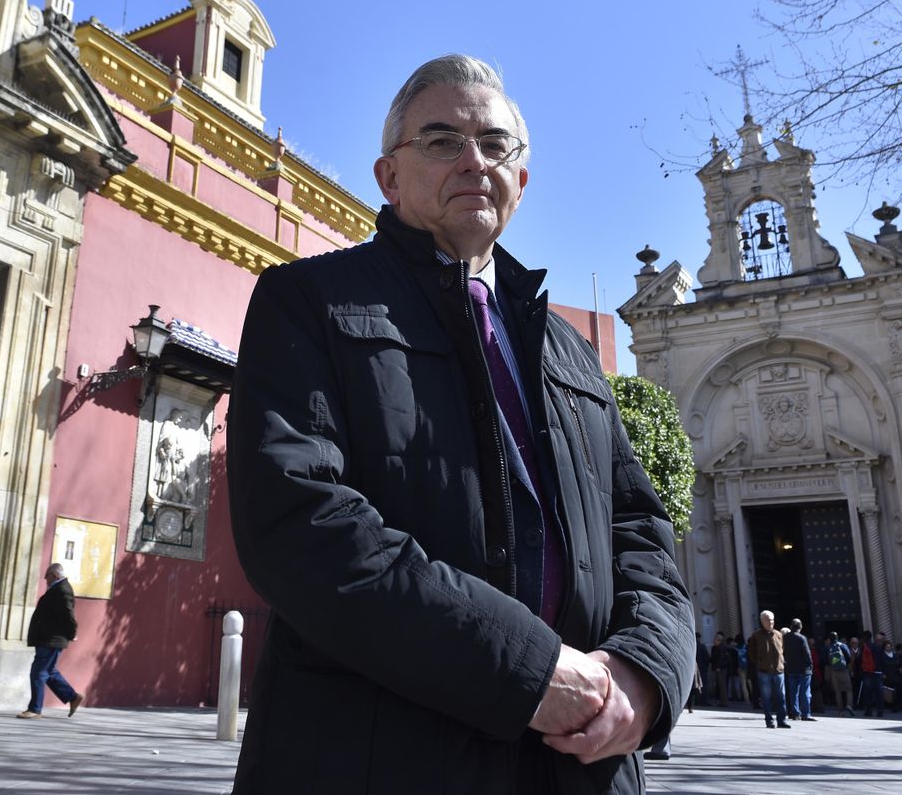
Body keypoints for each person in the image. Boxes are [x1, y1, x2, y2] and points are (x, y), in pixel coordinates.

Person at [226, 55, 693, 793]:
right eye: (442, 141)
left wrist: (646, 675)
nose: (474, 160)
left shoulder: (570, 348)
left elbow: (641, 533)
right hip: (375, 758)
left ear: (522, 179)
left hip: (580, 768)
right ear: (388, 177)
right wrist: (526, 671)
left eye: (495, 144)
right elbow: (298, 521)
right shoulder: (308, 302)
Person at [17, 562, 82, 719]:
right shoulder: (57, 589)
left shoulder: (63, 590)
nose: (46, 580)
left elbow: (68, 616)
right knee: (49, 672)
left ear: (55, 575)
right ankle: (73, 697)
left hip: (52, 639)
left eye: (47, 576)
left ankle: (35, 709)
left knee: (38, 673)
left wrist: (72, 633)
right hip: (47, 638)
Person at [747, 610, 789, 729]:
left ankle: (782, 720)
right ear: (762, 621)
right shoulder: (756, 636)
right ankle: (769, 720)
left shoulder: (778, 634)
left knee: (781, 697)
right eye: (768, 620)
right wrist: (760, 663)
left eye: (772, 620)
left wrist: (781, 662)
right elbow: (752, 653)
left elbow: (782, 650)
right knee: (766, 698)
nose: (771, 622)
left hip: (779, 671)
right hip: (764, 671)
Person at [782, 618, 814, 721]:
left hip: (791, 669)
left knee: (793, 692)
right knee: (805, 692)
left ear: (791, 627)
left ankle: (795, 713)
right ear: (800, 627)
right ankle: (806, 714)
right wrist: (810, 664)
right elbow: (807, 653)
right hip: (803, 669)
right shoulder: (802, 638)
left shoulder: (785, 638)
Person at [824, 632, 853, 716]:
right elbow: (848, 656)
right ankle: (849, 705)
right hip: (844, 670)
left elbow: (826, 660)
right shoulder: (842, 645)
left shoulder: (828, 647)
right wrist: (845, 665)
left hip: (834, 671)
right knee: (849, 689)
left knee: (838, 691)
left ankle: (840, 711)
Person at [707, 633, 733, 706]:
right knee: (720, 686)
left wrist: (718, 666)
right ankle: (722, 701)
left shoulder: (722, 648)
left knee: (723, 686)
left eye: (715, 640)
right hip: (718, 668)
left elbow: (721, 659)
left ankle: (724, 702)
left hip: (722, 669)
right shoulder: (715, 648)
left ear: (719, 641)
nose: (714, 641)